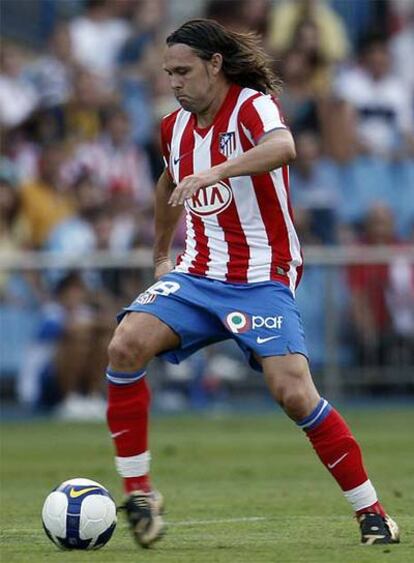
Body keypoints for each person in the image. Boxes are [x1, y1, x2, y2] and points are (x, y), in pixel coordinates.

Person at [105, 19, 400, 548]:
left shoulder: (251, 106)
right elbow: (169, 181)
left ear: (215, 65)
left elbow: (283, 147)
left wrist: (217, 171)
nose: (174, 82)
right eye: (168, 73)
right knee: (125, 345)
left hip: (261, 277)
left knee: (291, 392)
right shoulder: (172, 127)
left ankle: (371, 512)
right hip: (196, 274)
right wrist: (158, 255)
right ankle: (140, 494)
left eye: (183, 71)